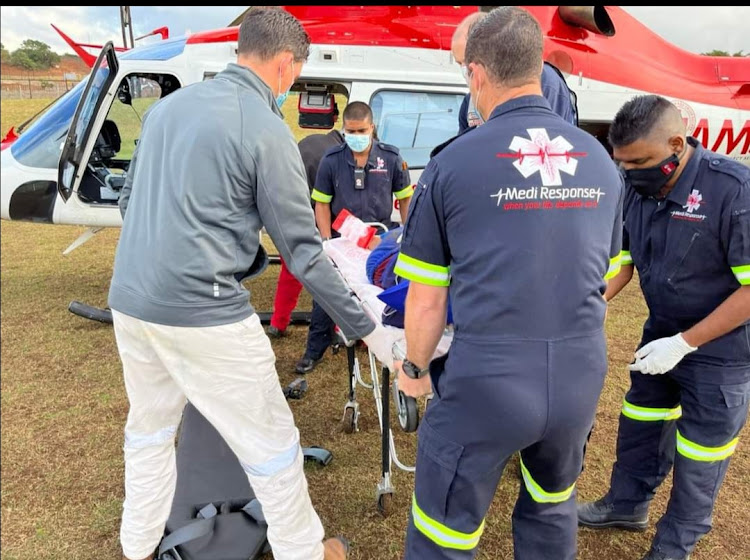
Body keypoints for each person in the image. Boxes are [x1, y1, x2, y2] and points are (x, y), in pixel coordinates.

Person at [108, 8, 379, 560]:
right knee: (272, 443)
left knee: (151, 432)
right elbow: (302, 251)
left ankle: (136, 546)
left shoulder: (165, 110)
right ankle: (305, 551)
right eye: (295, 77)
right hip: (204, 310)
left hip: (131, 303)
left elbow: (129, 201)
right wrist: (364, 327)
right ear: (284, 65)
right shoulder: (264, 127)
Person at [393, 7, 624, 559]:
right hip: (578, 377)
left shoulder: (452, 165)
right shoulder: (598, 159)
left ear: (476, 75)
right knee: (551, 511)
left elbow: (427, 299)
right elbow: (605, 274)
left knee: (444, 533)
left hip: (487, 381)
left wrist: (414, 371)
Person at [577, 95, 750, 560]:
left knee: (700, 455)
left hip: (721, 349)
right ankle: (627, 505)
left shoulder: (733, 189)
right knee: (641, 422)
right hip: (662, 332)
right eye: (621, 162)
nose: (629, 172)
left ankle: (673, 547)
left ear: (677, 143)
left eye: (639, 162)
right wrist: (587, 305)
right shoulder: (635, 185)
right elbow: (625, 263)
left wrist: (686, 343)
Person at [294, 101, 413, 374]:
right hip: (342, 240)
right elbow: (321, 204)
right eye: (351, 131)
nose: (356, 137)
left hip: (379, 242)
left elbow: (406, 199)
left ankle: (386, 347)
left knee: (381, 293)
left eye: (361, 131)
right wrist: (326, 242)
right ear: (343, 129)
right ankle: (314, 350)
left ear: (372, 128)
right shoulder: (332, 160)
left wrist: (407, 234)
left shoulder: (391, 158)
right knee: (327, 295)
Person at [267, 109, 345, 338]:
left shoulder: (310, 140)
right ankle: (342, 327)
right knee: (333, 273)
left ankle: (278, 323)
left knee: (289, 272)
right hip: (313, 216)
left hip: (286, 214)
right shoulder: (337, 157)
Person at [450, 11, 578, 134]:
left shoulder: (544, 84)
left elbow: (544, 139)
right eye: (459, 63)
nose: (465, 70)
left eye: (467, 62)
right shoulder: (470, 102)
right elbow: (462, 145)